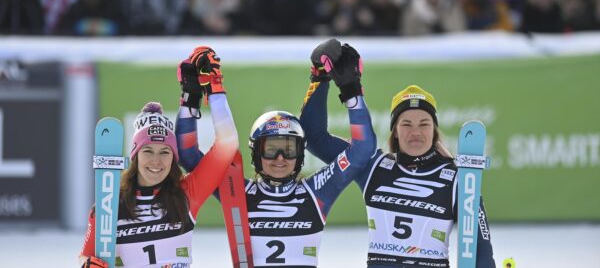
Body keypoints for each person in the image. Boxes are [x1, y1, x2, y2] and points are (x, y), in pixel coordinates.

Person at [301, 39, 495, 267]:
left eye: (424, 124)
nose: (415, 132)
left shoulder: (458, 179)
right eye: (406, 124)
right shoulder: (372, 165)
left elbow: (480, 246)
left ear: (434, 131)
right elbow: (314, 138)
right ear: (394, 132)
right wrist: (320, 77)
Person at [176, 44, 376, 267]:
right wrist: (190, 97)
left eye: (288, 149)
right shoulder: (235, 190)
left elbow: (362, 150)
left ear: (300, 155)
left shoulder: (317, 190)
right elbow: (188, 156)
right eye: (270, 150)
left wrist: (351, 89)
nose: (280, 158)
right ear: (256, 154)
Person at [79, 46, 238, 267]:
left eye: (165, 152)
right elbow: (86, 257)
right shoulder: (109, 204)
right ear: (135, 156)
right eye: (148, 151)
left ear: (174, 157)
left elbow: (227, 144)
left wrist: (214, 90)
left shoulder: (186, 194)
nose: (156, 161)